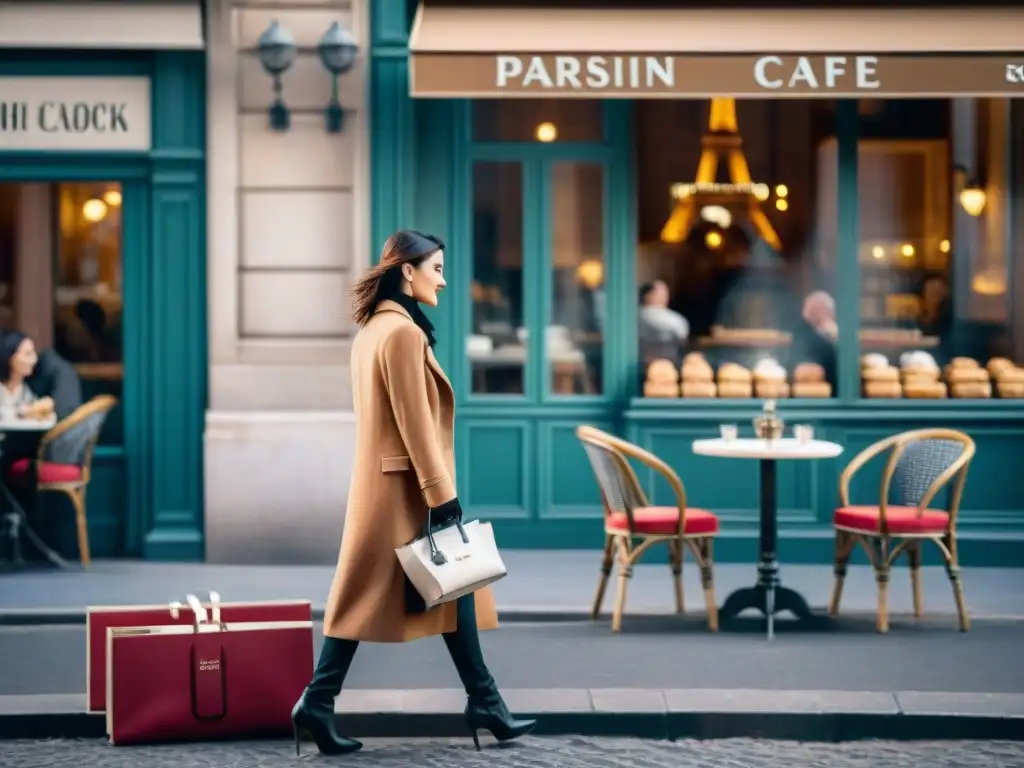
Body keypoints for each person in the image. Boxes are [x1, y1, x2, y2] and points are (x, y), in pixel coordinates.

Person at [290, 230, 536, 755]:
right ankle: (318, 700)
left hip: (386, 482)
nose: (444, 281)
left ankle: (483, 700)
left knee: (454, 584)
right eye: (438, 269)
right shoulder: (401, 334)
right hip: (402, 486)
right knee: (376, 593)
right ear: (408, 270)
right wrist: (439, 491)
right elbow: (414, 421)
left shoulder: (375, 329)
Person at [0, 332, 55, 423]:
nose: (34, 359)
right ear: (10, 357)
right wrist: (23, 413)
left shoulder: (25, 391)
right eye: (28, 354)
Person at [793, 290, 838, 387]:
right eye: (807, 308)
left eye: (815, 309)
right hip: (808, 390)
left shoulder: (834, 333)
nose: (806, 313)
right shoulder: (801, 333)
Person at [638, 279, 690, 363]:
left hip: (665, 366)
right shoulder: (676, 320)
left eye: (666, 294)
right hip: (643, 363)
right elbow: (683, 340)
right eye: (661, 294)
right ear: (648, 295)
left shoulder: (630, 317)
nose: (665, 297)